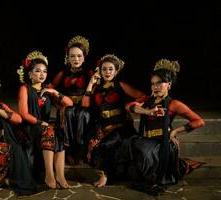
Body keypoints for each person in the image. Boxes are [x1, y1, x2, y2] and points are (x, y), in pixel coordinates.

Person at [125, 59, 205, 195]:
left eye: (159, 83)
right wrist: (147, 111)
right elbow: (129, 107)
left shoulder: (174, 104)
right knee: (129, 143)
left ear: (168, 84)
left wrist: (175, 131)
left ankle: (159, 175)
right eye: (153, 84)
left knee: (144, 151)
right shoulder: (147, 101)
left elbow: (199, 121)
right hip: (148, 140)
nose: (155, 87)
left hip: (163, 141)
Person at [82, 54, 148, 187]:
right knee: (92, 143)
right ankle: (105, 173)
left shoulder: (121, 85)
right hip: (104, 125)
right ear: (100, 71)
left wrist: (132, 105)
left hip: (121, 126)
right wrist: (90, 83)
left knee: (106, 145)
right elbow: (84, 105)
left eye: (110, 69)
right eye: (104, 69)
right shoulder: (96, 87)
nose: (107, 72)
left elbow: (143, 96)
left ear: (116, 71)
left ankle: (105, 176)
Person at [16, 51, 73, 189]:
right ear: (30, 74)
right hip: (30, 126)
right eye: (38, 71)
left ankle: (60, 175)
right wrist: (41, 123)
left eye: (45, 71)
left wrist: (54, 92)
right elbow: (24, 114)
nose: (42, 74)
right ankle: (49, 175)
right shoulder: (25, 88)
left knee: (58, 134)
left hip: (45, 126)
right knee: (50, 131)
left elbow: (70, 103)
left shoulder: (47, 89)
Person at [51, 35, 93, 165]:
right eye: (72, 56)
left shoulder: (89, 73)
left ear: (84, 57)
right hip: (67, 107)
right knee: (68, 111)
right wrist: (58, 104)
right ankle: (68, 152)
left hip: (83, 107)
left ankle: (81, 151)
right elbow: (50, 90)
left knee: (81, 114)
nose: (76, 59)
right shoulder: (62, 73)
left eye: (79, 56)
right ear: (68, 57)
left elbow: (96, 92)